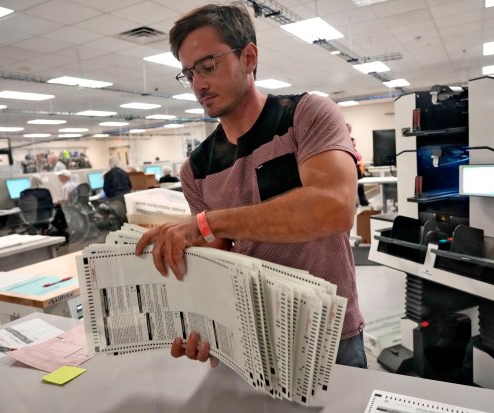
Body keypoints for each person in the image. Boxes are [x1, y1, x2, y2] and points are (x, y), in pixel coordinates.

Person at [136, 3, 365, 369]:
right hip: (247, 339)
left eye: (208, 65)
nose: (198, 84)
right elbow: (218, 254)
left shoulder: (305, 116)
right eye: (189, 74)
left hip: (327, 337)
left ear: (249, 56)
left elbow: (333, 209)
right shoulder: (195, 170)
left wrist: (205, 223)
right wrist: (201, 321)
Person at [347, 123, 369, 207]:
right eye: (354, 141)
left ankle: (363, 201)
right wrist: (357, 163)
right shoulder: (350, 150)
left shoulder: (356, 150)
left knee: (360, 188)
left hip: (359, 171)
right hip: (354, 171)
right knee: (354, 188)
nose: (355, 143)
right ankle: (355, 203)